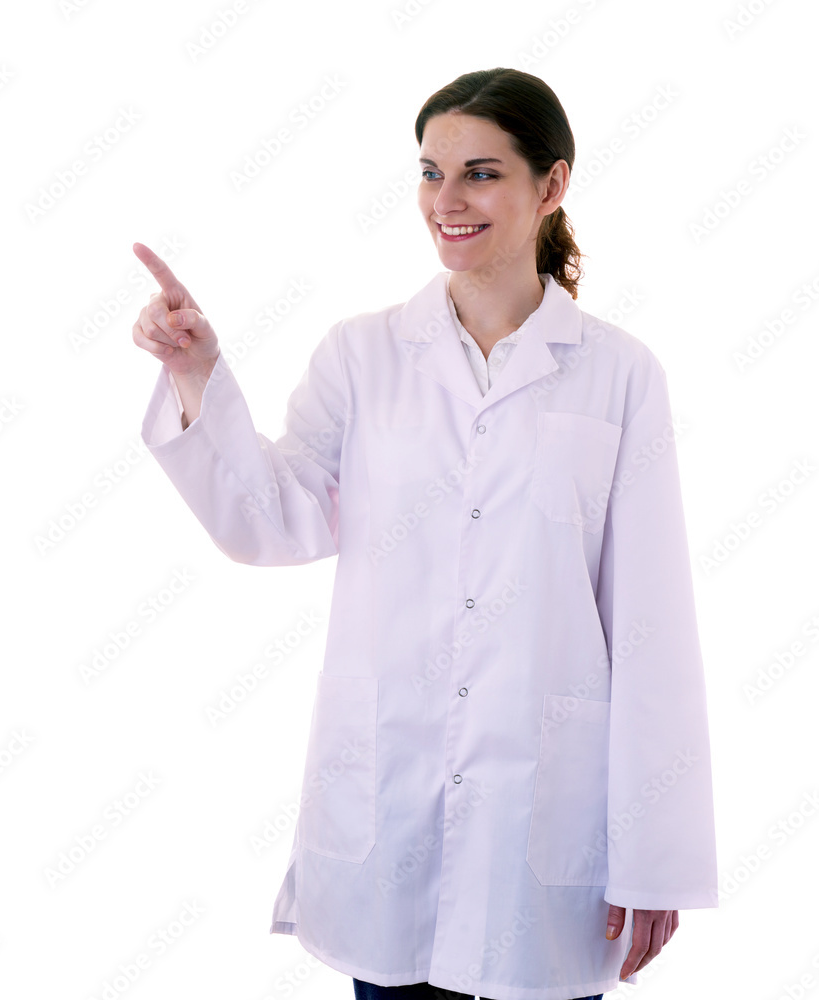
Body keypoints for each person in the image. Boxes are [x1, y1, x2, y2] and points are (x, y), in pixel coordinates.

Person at [132, 67, 718, 1000]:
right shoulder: (362, 358)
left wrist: (657, 856)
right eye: (429, 171)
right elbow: (270, 520)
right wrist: (200, 375)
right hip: (388, 811)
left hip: (546, 826)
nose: (446, 201)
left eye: (481, 173)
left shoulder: (618, 377)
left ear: (551, 185)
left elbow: (652, 625)